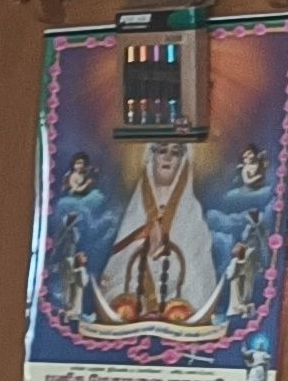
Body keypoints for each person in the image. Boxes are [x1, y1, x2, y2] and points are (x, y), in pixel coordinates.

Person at [94, 129, 223, 332]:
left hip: (179, 317)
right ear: (151, 158)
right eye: (162, 150)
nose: (168, 157)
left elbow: (199, 275)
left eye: (175, 152)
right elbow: (116, 272)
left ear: (183, 162)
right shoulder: (135, 213)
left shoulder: (193, 217)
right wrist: (141, 239)